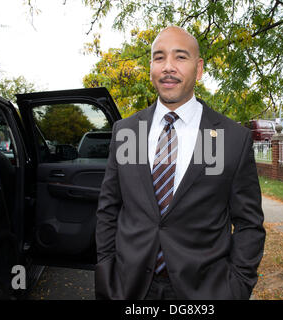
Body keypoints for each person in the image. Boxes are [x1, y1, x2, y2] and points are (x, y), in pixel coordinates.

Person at [95, 26, 265, 300]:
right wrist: (106, 270)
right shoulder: (127, 132)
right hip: (129, 287)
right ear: (150, 66)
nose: (168, 67)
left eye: (180, 57)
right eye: (159, 57)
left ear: (198, 69)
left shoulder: (229, 138)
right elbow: (109, 208)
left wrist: (236, 287)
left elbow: (248, 224)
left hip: (203, 291)